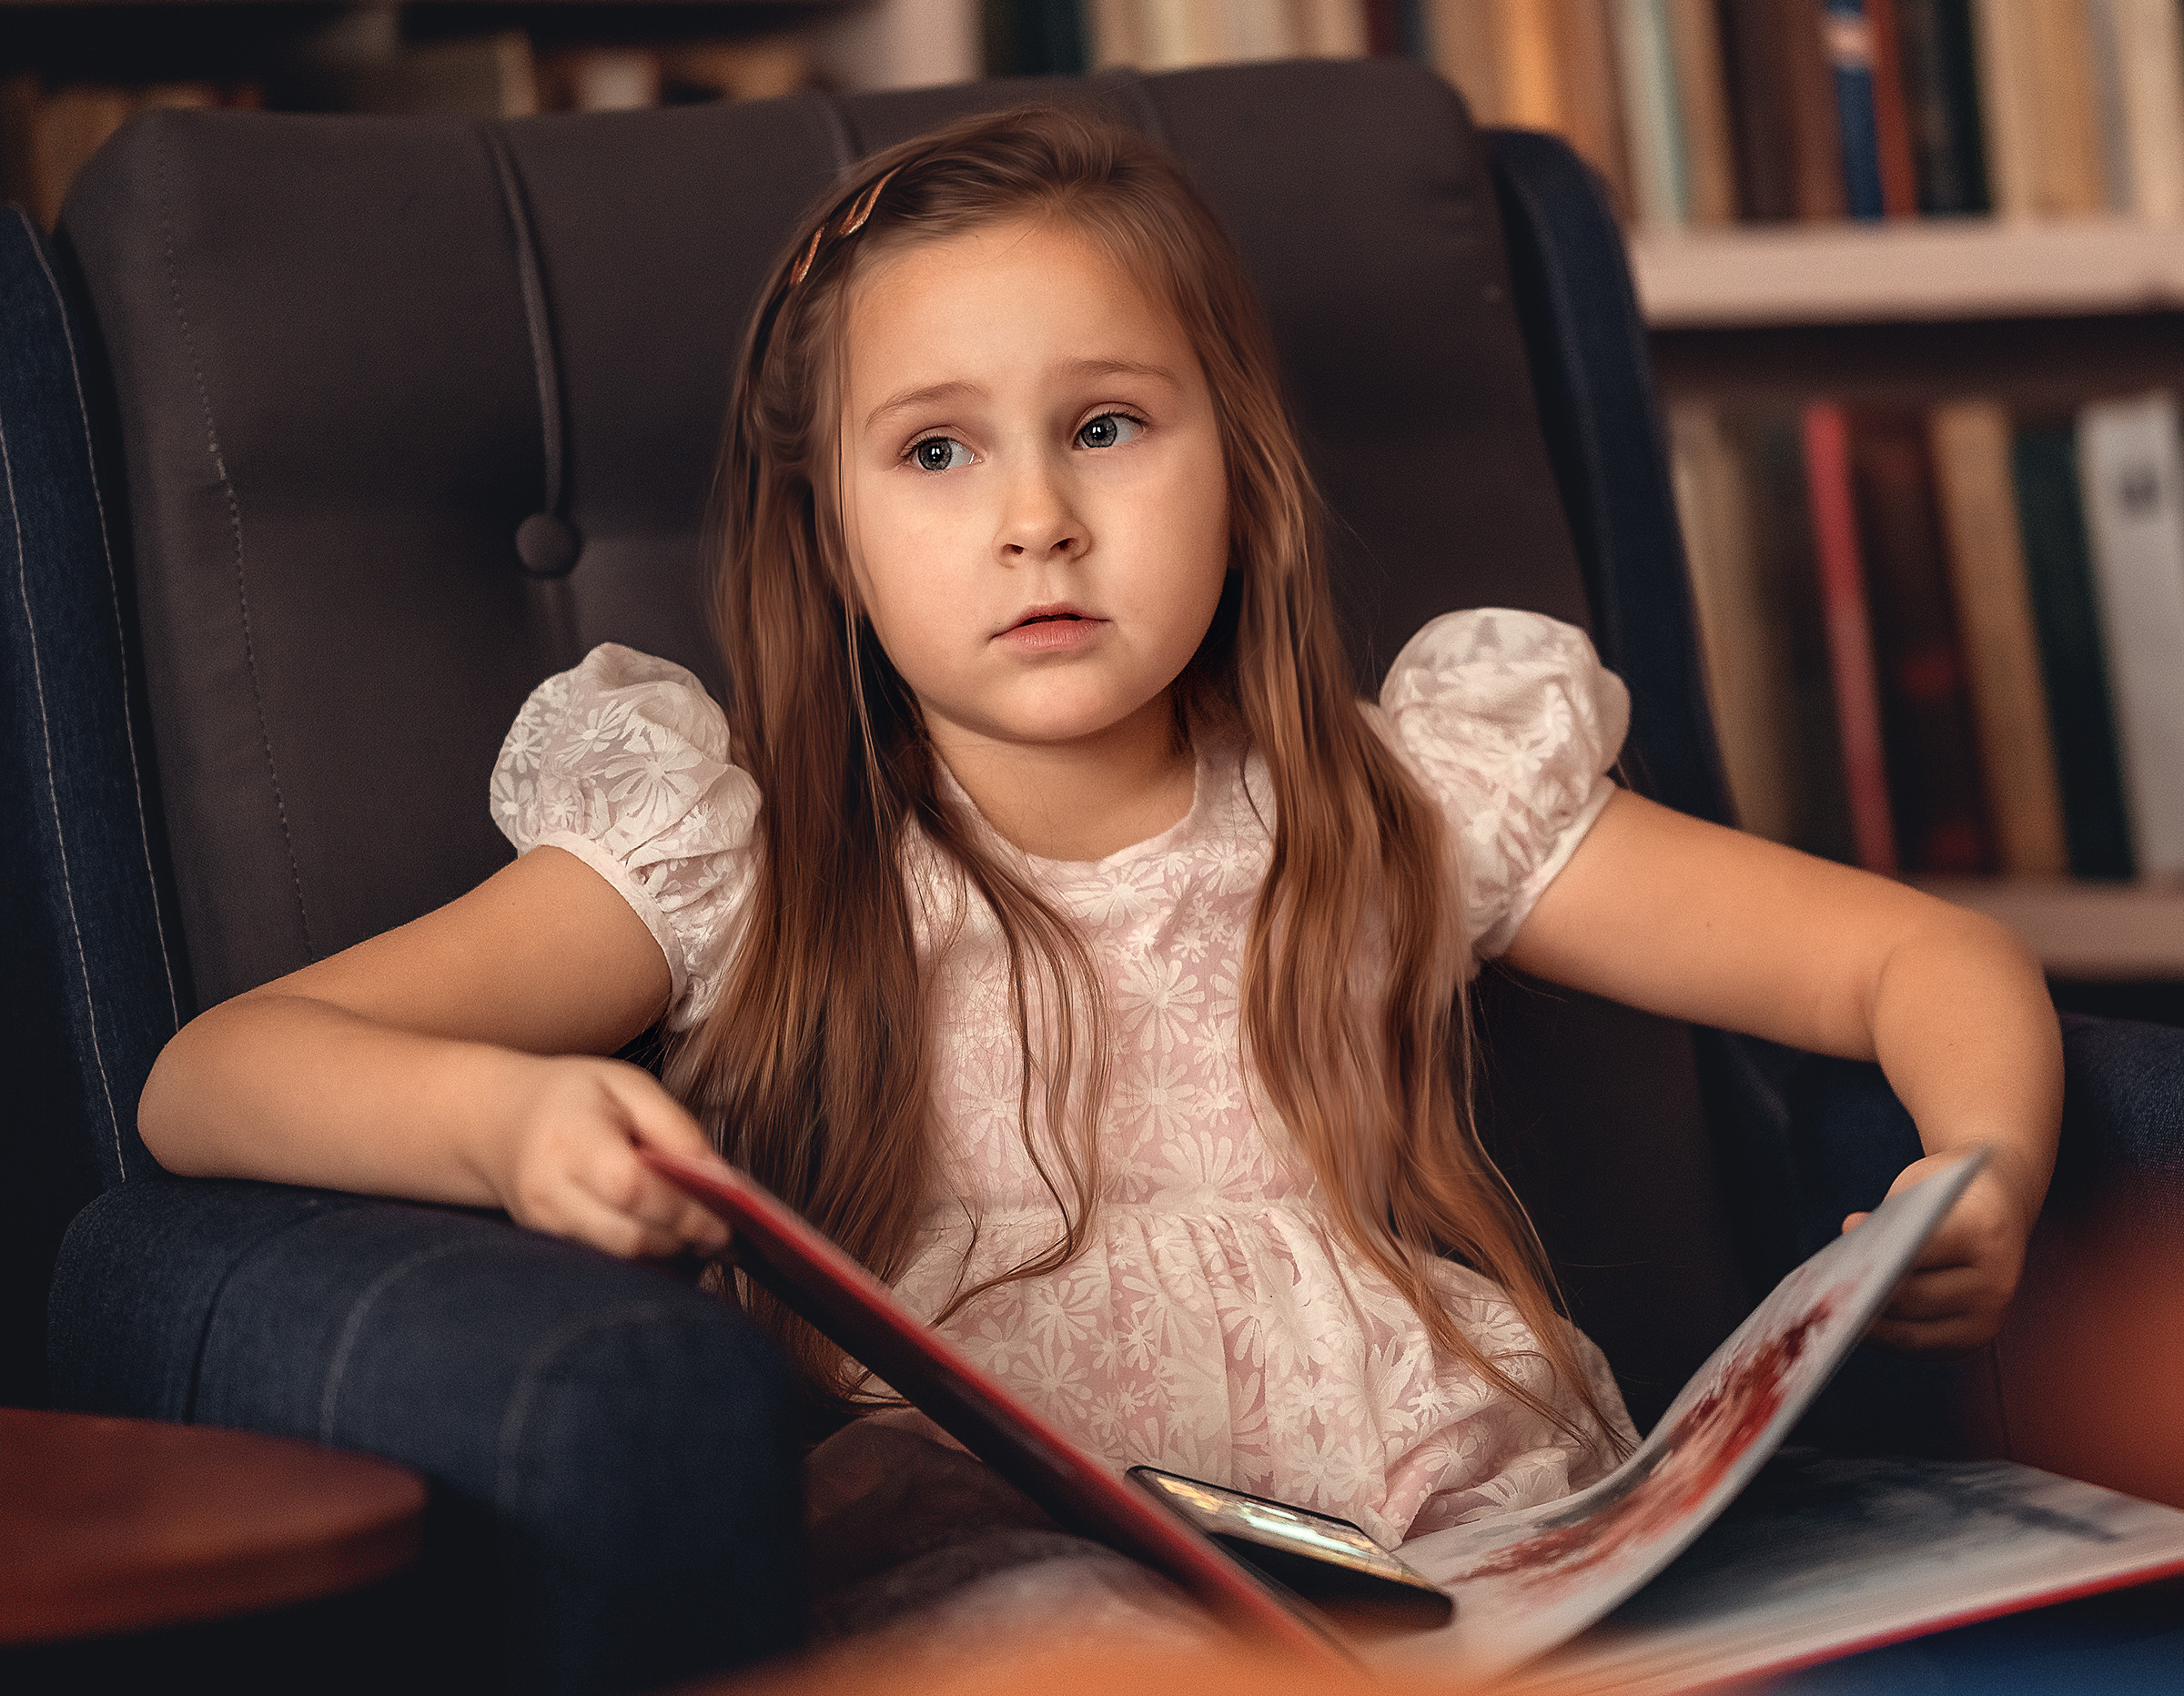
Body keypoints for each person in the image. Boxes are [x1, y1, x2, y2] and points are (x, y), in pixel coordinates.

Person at [138, 106, 2058, 1590]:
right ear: (829, 536)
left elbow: (1919, 957)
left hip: (1443, 1531)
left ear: (1241, 469)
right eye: (938, 451)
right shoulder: (742, 853)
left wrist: (1981, 1171)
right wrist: (506, 1126)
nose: (1037, 519)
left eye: (1111, 426)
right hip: (990, 1558)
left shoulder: (1397, 800)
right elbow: (214, 1079)